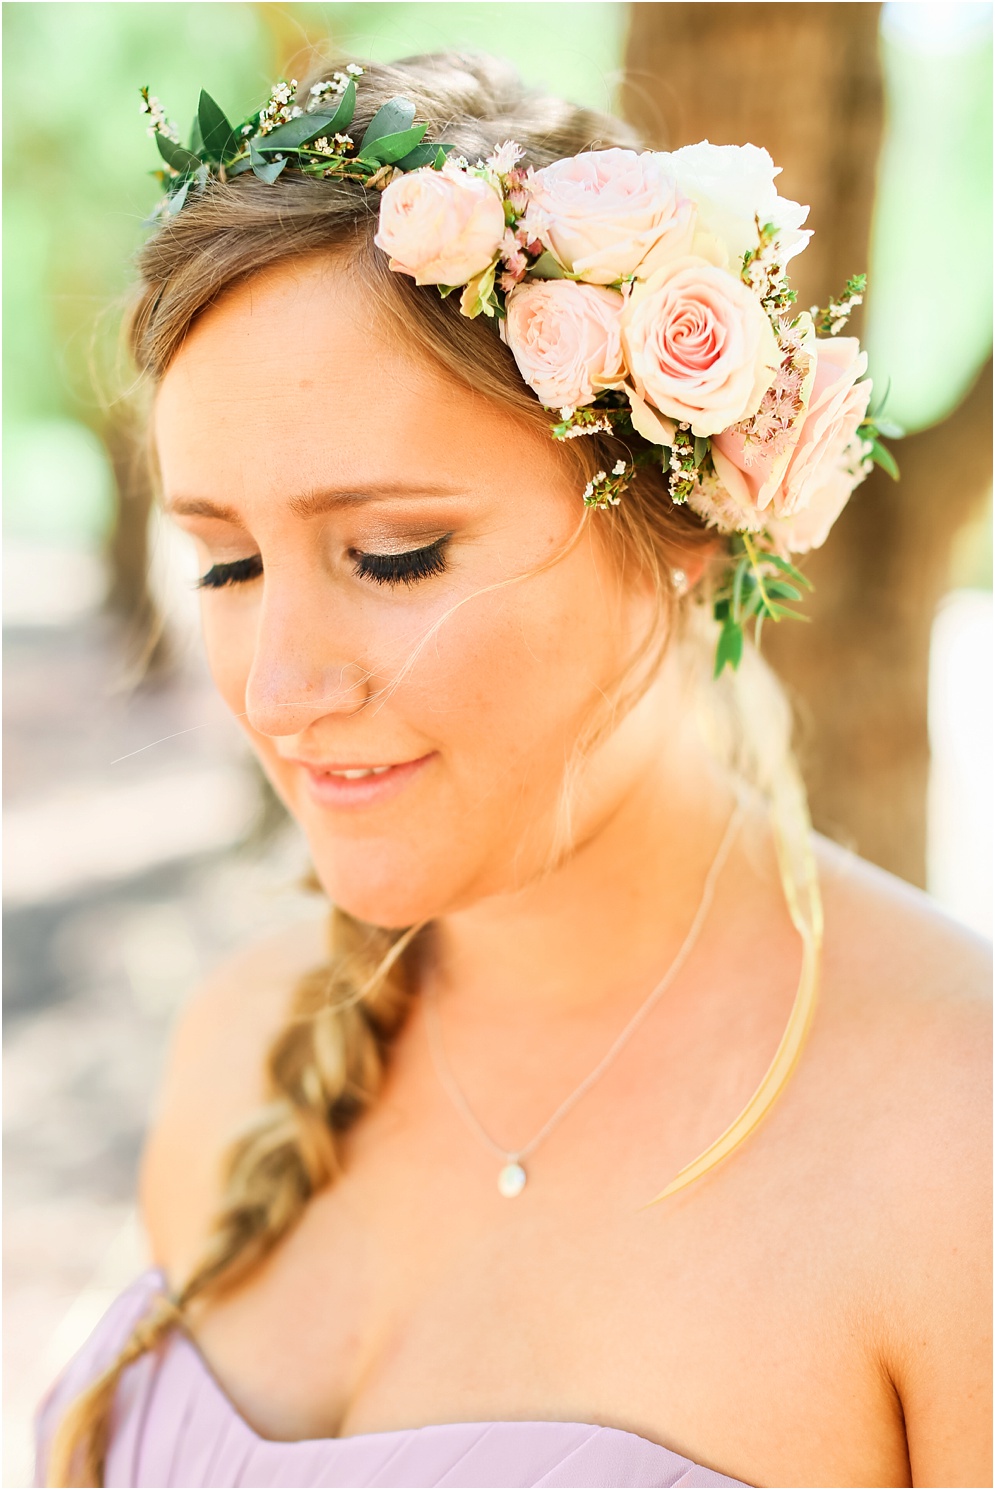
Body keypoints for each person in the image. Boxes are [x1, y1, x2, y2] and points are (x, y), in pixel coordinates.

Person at [37, 51, 990, 1490]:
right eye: (224, 561)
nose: (282, 687)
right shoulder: (238, 1051)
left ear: (680, 519)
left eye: (395, 554)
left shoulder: (953, 1143)